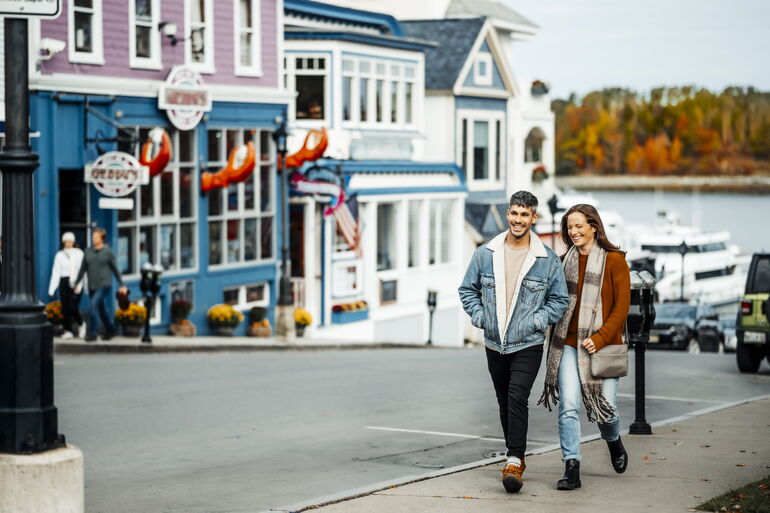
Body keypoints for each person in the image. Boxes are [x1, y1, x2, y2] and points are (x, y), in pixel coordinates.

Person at [459, 190, 569, 493]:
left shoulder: (546, 259)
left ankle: (514, 461)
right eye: (514, 213)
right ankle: (514, 453)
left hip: (528, 343)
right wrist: (481, 318)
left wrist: (537, 321)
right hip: (495, 342)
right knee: (504, 400)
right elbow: (467, 290)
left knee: (517, 397)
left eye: (525, 215)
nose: (518, 220)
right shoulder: (485, 253)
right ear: (508, 214)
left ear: (534, 218)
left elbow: (559, 300)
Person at [538, 203, 631, 490]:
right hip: (565, 345)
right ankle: (572, 466)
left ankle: (613, 441)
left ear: (594, 226)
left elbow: (622, 307)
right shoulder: (562, 260)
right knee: (568, 406)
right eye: (569, 227)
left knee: (608, 409)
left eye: (579, 226)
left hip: (601, 347)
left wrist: (600, 337)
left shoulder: (615, 260)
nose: (573, 231)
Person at [74, 228, 127, 342]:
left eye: (96, 237)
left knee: (93, 306)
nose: (94, 239)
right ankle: (110, 329)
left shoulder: (108, 252)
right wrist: (76, 282)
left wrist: (121, 284)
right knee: (102, 309)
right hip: (92, 286)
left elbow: (115, 269)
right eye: (93, 237)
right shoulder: (87, 252)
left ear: (102, 239)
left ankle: (92, 333)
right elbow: (82, 269)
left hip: (104, 285)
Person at [48, 232, 85, 339]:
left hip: (75, 281)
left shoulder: (79, 253)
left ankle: (81, 324)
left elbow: (82, 271)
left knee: (73, 307)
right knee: (65, 308)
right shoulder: (59, 255)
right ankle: (68, 330)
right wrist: (52, 289)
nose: (68, 243)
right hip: (64, 282)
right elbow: (56, 272)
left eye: (70, 241)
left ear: (73, 242)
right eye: (66, 241)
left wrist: (79, 284)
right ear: (63, 242)